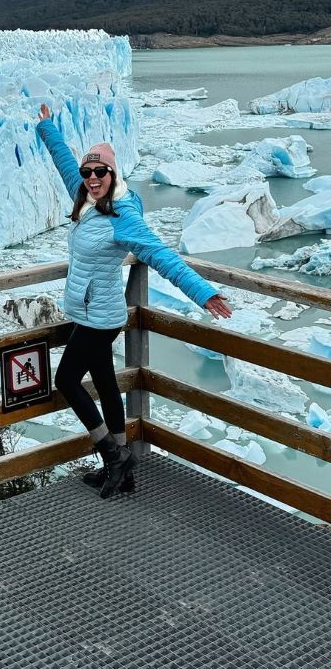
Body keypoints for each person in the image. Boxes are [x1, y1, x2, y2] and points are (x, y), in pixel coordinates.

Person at [37, 104, 232, 498]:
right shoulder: (87, 199)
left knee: (65, 381)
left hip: (99, 317)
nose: (92, 179)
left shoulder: (123, 216)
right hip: (89, 311)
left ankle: (112, 456)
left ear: (114, 174)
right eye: (88, 172)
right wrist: (47, 127)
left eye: (100, 172)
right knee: (106, 383)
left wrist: (202, 292)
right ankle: (123, 468)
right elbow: (63, 161)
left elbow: (161, 255)